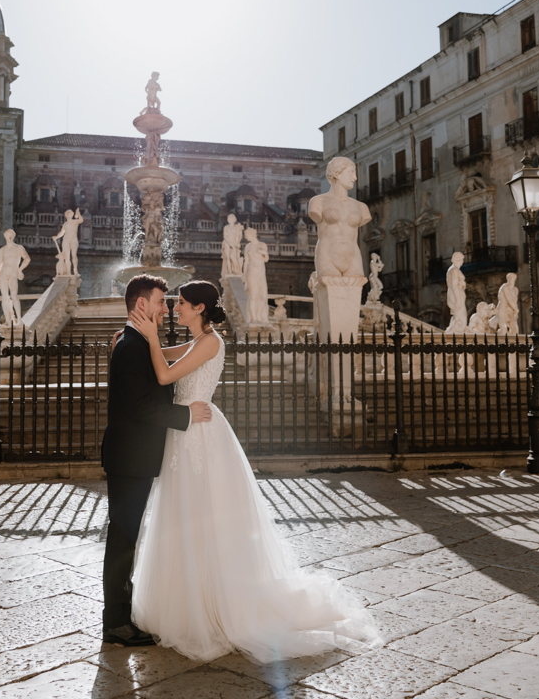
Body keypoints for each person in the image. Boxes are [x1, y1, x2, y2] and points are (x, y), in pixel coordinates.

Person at [127, 279, 380, 663]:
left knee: (205, 517)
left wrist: (147, 337)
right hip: (185, 433)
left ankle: (216, 606)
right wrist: (138, 336)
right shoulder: (197, 341)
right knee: (185, 518)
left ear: (199, 309)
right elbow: (162, 355)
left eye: (181, 304)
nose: (175, 309)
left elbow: (164, 375)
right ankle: (193, 600)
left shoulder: (211, 342)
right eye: (174, 303)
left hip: (200, 434)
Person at [101, 274, 212, 648]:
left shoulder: (135, 341)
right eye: (161, 302)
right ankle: (116, 622)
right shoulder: (131, 346)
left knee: (128, 535)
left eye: (170, 303)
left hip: (136, 455)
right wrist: (184, 417)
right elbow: (140, 406)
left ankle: (123, 613)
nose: (165, 309)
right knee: (123, 537)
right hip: (130, 456)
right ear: (141, 305)